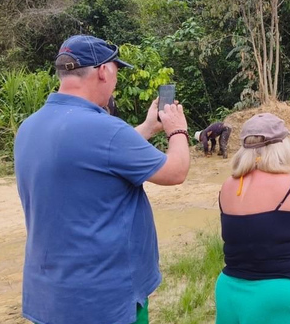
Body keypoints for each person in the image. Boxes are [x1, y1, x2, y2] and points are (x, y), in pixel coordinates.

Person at [14, 34, 191, 324]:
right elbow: (176, 171)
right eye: (116, 71)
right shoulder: (106, 130)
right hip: (105, 301)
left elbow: (96, 156)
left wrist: (147, 127)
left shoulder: (30, 127)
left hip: (50, 298)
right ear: (103, 71)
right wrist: (177, 131)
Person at [215, 113, 290, 324]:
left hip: (229, 291)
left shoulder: (228, 186)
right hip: (277, 294)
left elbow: (260, 213)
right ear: (281, 145)